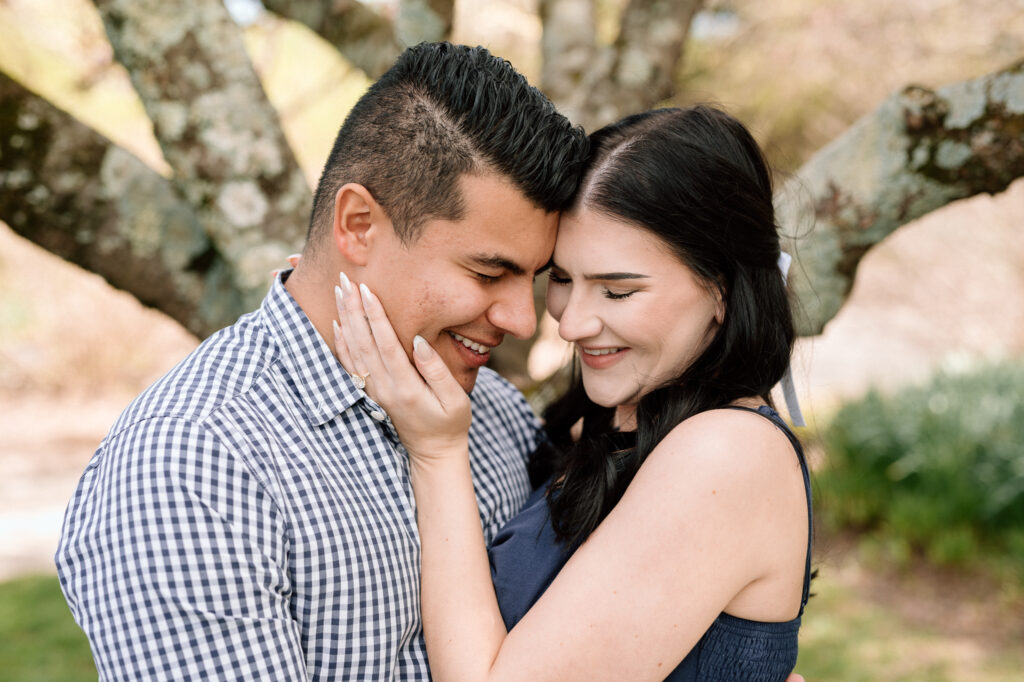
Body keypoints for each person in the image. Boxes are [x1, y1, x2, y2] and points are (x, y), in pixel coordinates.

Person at [55, 42, 588, 680]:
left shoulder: (495, 413)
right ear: (358, 224)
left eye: (531, 279)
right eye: (488, 272)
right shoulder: (193, 466)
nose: (523, 320)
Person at [332, 105, 813, 680]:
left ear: (720, 292)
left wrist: (436, 453)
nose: (570, 321)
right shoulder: (621, 423)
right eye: (561, 279)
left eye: (616, 291)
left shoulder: (726, 455)